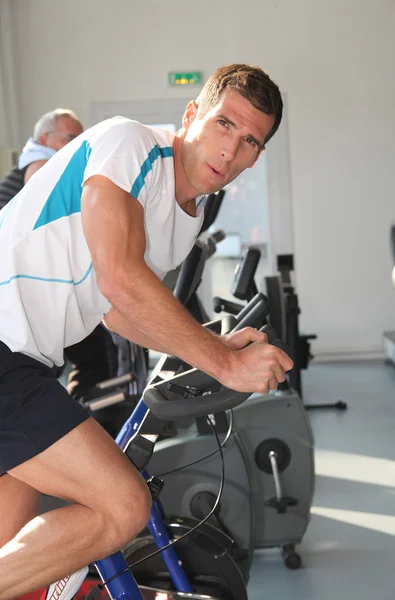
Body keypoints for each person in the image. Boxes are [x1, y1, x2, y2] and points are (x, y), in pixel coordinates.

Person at [0, 63, 293, 599]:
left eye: (250, 140)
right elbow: (119, 278)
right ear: (191, 115)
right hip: (6, 348)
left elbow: (119, 314)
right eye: (224, 124)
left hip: (29, 359)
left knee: (13, 552)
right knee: (122, 503)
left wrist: (215, 347)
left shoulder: (187, 216)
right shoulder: (130, 145)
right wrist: (222, 362)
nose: (231, 151)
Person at [0, 109, 118, 402]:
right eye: (71, 137)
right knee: (89, 350)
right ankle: (80, 421)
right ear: (44, 138)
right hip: (19, 290)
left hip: (25, 284)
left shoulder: (33, 163)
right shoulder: (40, 166)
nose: (79, 144)